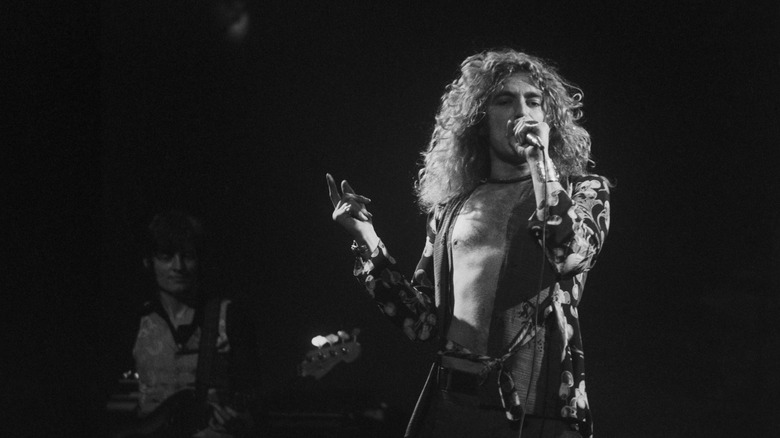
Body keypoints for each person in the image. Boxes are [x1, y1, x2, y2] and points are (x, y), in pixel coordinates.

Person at [326, 49, 610, 438]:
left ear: (549, 118)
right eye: (504, 100)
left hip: (535, 405)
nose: (521, 111)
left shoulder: (585, 191)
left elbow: (568, 253)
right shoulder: (450, 210)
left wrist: (540, 161)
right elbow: (422, 321)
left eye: (533, 101)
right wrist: (368, 241)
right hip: (454, 406)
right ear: (480, 120)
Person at [113, 210, 261, 437]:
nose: (178, 266)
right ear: (148, 262)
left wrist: (242, 417)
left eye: (188, 256)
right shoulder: (136, 320)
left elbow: (250, 393)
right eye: (166, 256)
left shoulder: (228, 316)